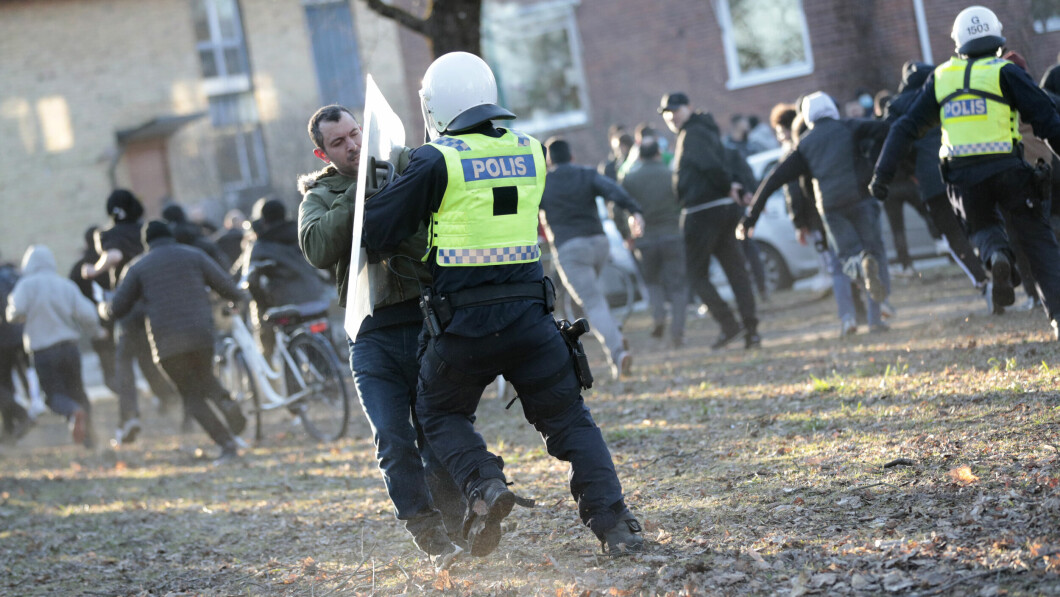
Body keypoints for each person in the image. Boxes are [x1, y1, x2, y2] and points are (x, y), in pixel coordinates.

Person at [361, 52, 644, 558]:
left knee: (437, 412)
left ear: (435, 106)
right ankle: (615, 524)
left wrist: (382, 181)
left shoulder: (437, 158)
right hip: (532, 321)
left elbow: (376, 229)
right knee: (572, 422)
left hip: (463, 327)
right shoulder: (532, 150)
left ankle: (484, 483)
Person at [297, 104, 467, 570]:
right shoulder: (320, 195)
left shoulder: (407, 163)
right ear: (323, 151)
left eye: (355, 134)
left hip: (424, 322)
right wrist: (361, 190)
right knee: (393, 437)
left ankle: (457, 528)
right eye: (339, 142)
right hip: (369, 333)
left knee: (439, 433)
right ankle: (427, 533)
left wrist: (391, 181)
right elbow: (316, 246)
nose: (352, 145)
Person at [870, 5, 1060, 340]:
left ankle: (996, 255)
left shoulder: (942, 77)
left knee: (982, 227)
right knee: (1038, 241)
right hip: (1008, 168)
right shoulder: (1006, 71)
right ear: (998, 40)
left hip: (962, 177)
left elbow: (906, 126)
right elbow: (1049, 122)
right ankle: (1058, 317)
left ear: (958, 44)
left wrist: (881, 175)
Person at [739, 92, 893, 334]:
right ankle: (876, 321)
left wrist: (751, 217)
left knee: (848, 259)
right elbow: (887, 130)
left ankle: (859, 270)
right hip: (861, 199)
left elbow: (773, 180)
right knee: (873, 254)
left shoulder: (805, 144)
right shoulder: (849, 126)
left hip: (831, 208)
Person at [101, 221, 248, 464]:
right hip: (201, 334)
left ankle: (226, 444)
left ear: (147, 242)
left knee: (191, 396)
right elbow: (227, 286)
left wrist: (103, 309)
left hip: (167, 344)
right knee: (206, 378)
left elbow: (118, 308)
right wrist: (235, 301)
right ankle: (225, 401)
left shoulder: (138, 266)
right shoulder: (194, 255)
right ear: (171, 235)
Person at [659, 91, 761, 349]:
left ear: (689, 107)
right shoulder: (706, 129)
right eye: (667, 113)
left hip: (702, 211)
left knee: (695, 275)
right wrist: (732, 188)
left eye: (675, 110)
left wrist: (728, 186)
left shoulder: (691, 134)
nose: (671, 117)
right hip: (723, 210)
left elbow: (710, 166)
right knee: (736, 271)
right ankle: (751, 331)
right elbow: (721, 161)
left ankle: (729, 324)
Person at [539, 137, 644, 379]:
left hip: (570, 249)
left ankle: (618, 351)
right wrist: (634, 210)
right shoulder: (586, 173)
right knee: (587, 302)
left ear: (549, 160)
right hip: (599, 243)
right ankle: (613, 337)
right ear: (572, 156)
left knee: (593, 302)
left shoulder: (544, 183)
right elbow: (613, 190)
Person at [82, 189, 181, 445]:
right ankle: (176, 401)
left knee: (124, 363)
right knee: (154, 359)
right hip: (155, 301)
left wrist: (95, 269)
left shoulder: (109, 234)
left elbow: (113, 256)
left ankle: (129, 418)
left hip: (128, 305)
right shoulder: (144, 229)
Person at [884, 61, 988, 293]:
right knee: (979, 221)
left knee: (951, 233)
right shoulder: (946, 94)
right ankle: (994, 257)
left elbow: (895, 144)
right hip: (961, 167)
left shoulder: (898, 106)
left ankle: (981, 280)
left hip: (930, 177)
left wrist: (911, 170)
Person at [7, 245, 99, 447]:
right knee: (78, 391)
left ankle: (72, 412)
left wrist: (18, 314)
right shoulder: (65, 285)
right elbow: (89, 314)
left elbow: (14, 312)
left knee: (53, 395)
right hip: (70, 347)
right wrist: (96, 331)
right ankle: (90, 440)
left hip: (43, 350)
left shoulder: (26, 285)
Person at [619, 128, 689, 347]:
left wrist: (626, 233)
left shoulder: (629, 178)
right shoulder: (671, 175)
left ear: (639, 155)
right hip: (672, 235)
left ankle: (658, 316)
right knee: (678, 287)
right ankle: (677, 332)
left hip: (645, 239)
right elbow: (683, 202)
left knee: (652, 282)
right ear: (659, 153)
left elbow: (617, 206)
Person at [241, 197, 331, 359]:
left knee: (275, 335)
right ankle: (328, 373)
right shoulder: (302, 232)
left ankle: (276, 369)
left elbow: (252, 281)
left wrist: (265, 304)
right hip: (317, 297)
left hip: (286, 304)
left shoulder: (261, 245)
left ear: (263, 220)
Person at [0, 259, 31, 444]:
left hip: (3, 337)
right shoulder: (14, 276)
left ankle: (21, 414)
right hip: (18, 335)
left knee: (3, 383)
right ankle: (10, 431)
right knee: (6, 381)